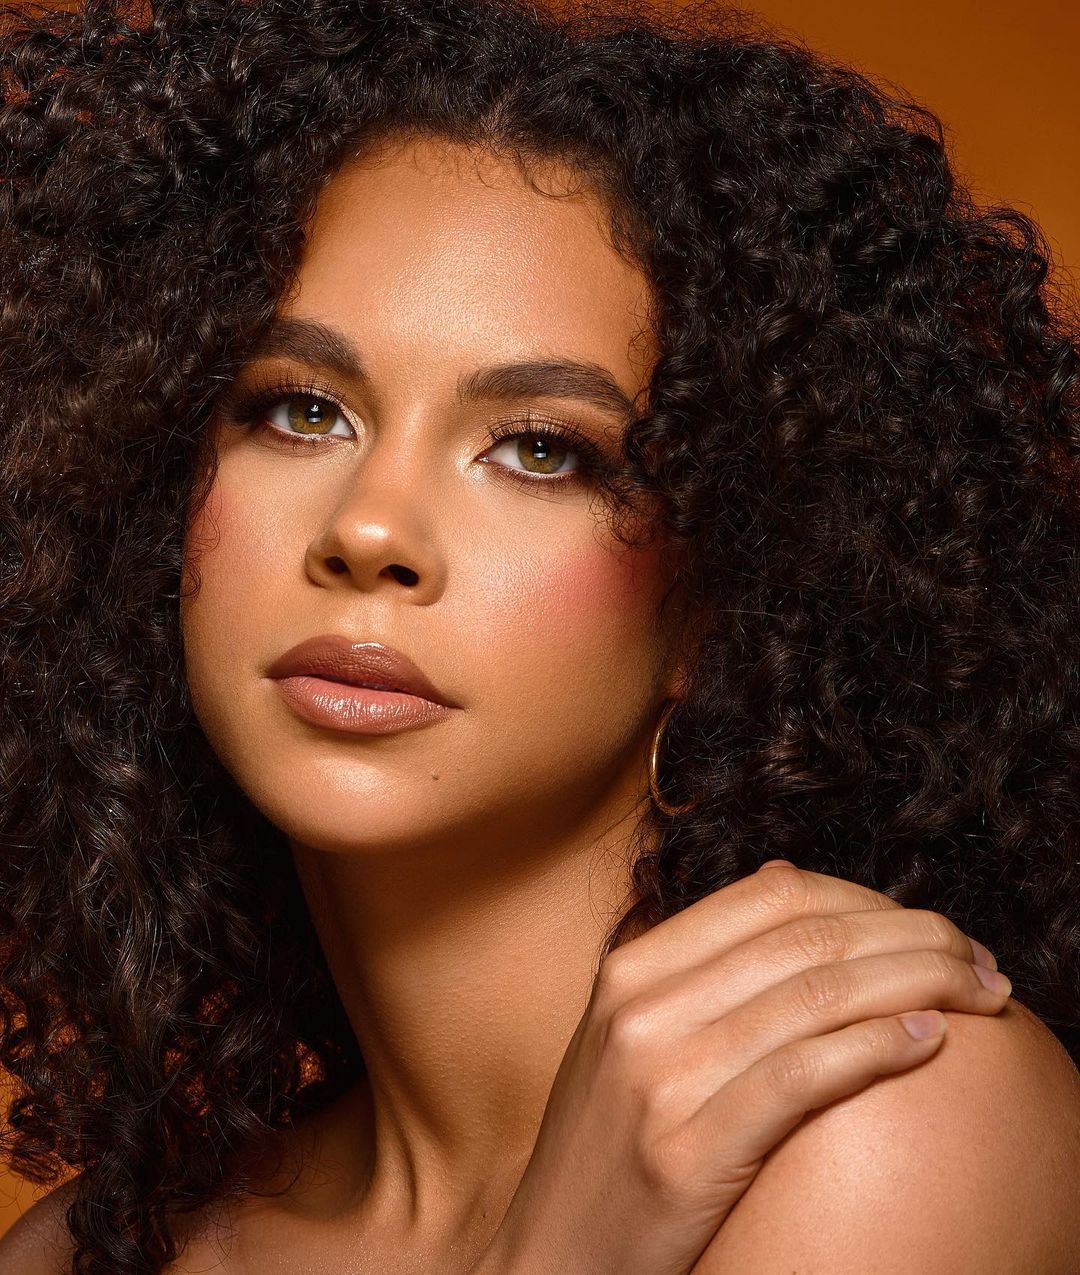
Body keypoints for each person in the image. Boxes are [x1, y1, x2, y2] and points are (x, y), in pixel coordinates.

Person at [1, 1, 1078, 1271]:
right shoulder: (86, 1251)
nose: (369, 530)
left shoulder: (882, 1118)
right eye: (302, 411)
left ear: (729, 591)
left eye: (541, 450)